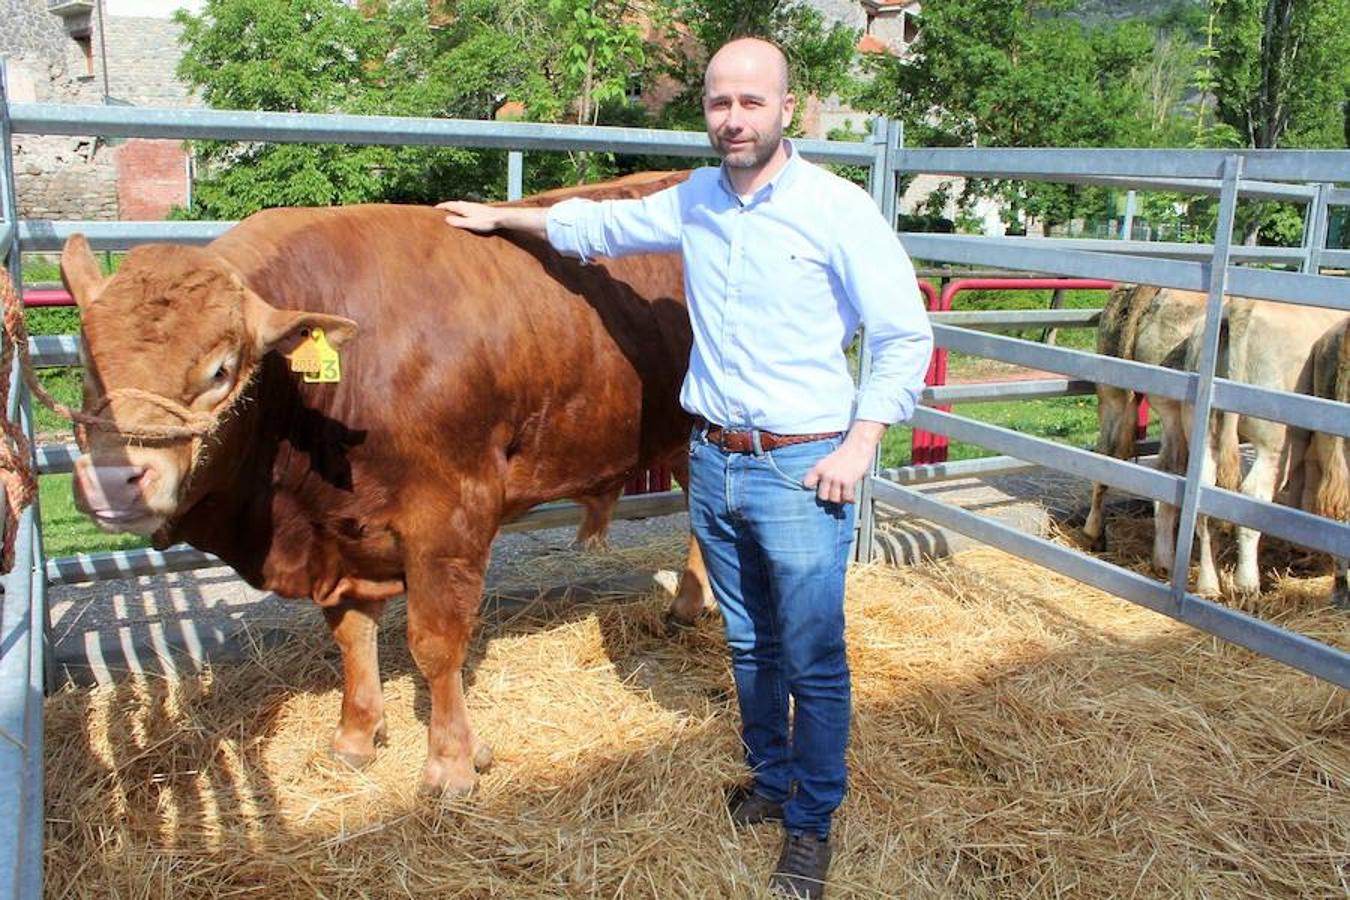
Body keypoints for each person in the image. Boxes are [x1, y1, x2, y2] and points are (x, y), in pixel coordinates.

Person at [439, 36, 932, 900]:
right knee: (747, 643)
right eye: (718, 103)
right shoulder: (696, 198)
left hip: (802, 464)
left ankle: (811, 823)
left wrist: (860, 445)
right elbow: (596, 225)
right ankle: (770, 781)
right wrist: (499, 217)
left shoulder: (836, 208)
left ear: (788, 109)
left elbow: (904, 334)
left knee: (812, 655)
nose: (732, 118)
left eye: (750, 102)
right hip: (716, 458)